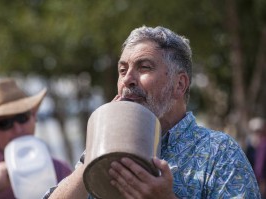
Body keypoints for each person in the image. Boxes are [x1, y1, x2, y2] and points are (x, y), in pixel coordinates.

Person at [44, 26, 261, 198]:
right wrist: (93, 156)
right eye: (122, 70)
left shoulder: (220, 153)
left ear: (179, 84)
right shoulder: (99, 153)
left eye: (144, 67)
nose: (127, 79)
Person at [0, 78, 72, 199]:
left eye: (22, 117)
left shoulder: (59, 169)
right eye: (4, 123)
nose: (17, 129)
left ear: (34, 117)